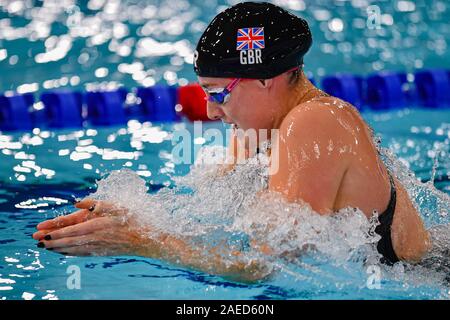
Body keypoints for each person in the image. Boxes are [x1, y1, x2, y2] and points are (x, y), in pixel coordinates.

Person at [33, 2, 431, 282]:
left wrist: (140, 243)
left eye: (218, 93)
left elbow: (269, 264)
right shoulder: (256, 131)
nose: (209, 112)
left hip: (423, 285)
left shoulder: (317, 122)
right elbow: (205, 216)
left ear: (266, 79)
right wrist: (128, 220)